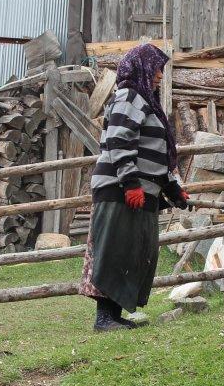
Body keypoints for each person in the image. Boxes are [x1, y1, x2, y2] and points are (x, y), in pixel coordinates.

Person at [80, 42, 189, 332]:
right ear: (141, 68)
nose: (160, 75)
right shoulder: (130, 96)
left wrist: (173, 189)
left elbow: (157, 154)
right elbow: (119, 141)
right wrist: (130, 184)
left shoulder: (147, 102)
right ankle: (104, 318)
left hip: (140, 191)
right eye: (156, 69)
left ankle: (114, 316)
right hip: (120, 191)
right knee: (116, 251)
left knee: (132, 253)